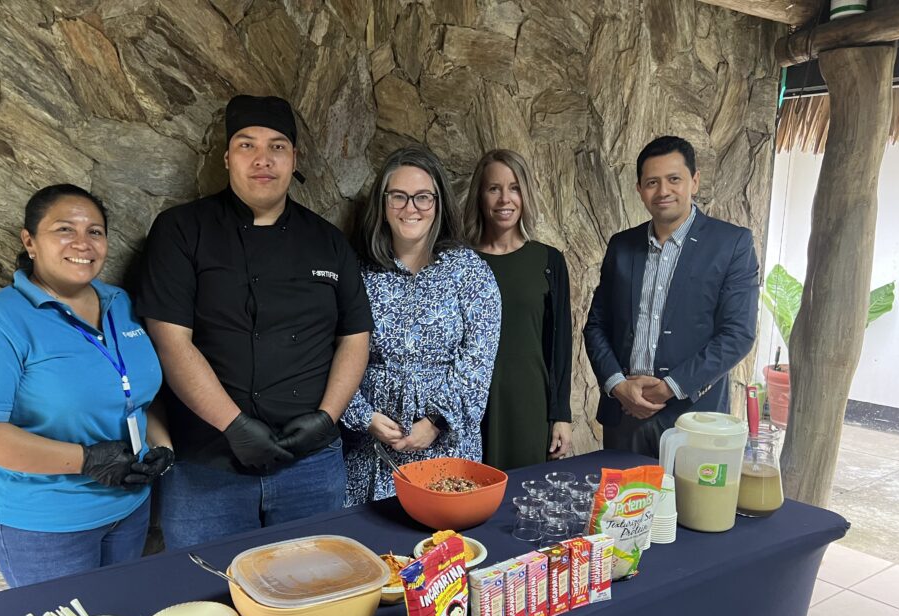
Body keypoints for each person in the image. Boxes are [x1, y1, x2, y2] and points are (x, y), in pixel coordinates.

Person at [135, 95, 373, 549]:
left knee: (316, 592)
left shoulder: (328, 241)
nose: (263, 159)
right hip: (207, 466)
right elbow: (170, 342)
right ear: (227, 158)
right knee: (209, 597)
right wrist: (233, 425)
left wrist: (327, 419)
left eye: (277, 146)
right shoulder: (181, 230)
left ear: (294, 159)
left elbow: (354, 336)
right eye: (247, 145)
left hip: (311, 465)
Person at [0, 185, 173, 588]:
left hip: (130, 508)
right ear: (30, 241)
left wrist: (163, 445)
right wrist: (87, 460)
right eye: (64, 229)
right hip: (45, 525)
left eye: (95, 232)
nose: (82, 243)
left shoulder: (120, 303)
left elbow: (137, 396)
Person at [341, 146, 500, 505]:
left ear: (438, 203)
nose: (410, 208)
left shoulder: (469, 272)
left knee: (440, 552)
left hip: (446, 449)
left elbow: (478, 361)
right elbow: (332, 351)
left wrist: (435, 423)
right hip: (371, 450)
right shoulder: (357, 272)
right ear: (382, 204)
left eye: (423, 197)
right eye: (398, 196)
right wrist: (364, 416)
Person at [583, 135, 759, 458]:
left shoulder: (732, 245)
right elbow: (595, 326)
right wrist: (618, 386)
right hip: (624, 419)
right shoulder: (621, 246)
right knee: (624, 508)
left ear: (694, 181)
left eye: (674, 179)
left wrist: (670, 387)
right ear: (639, 189)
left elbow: (737, 335)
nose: (663, 191)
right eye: (652, 182)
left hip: (694, 419)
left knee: (692, 510)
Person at [463, 149, 573, 470]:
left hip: (529, 404)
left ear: (525, 195)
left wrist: (561, 416)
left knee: (524, 502)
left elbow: (560, 346)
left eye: (514, 188)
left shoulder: (549, 261)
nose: (504, 199)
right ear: (480, 196)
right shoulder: (460, 262)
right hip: (473, 407)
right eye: (493, 188)